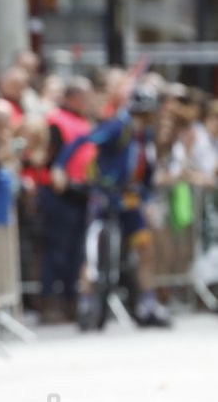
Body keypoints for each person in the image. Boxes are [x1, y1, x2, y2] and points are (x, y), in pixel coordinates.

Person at [51, 85, 171, 327]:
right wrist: (59, 167)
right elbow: (82, 141)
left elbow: (146, 171)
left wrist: (147, 198)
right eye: (141, 114)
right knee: (93, 249)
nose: (145, 119)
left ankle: (147, 302)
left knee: (144, 246)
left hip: (130, 197)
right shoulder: (117, 127)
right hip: (105, 194)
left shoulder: (144, 136)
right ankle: (87, 300)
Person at [38, 76, 95, 322]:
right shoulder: (55, 120)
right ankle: (50, 301)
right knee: (56, 250)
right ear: (73, 97)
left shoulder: (85, 122)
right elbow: (50, 156)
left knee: (76, 252)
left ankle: (71, 300)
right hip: (60, 194)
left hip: (81, 193)